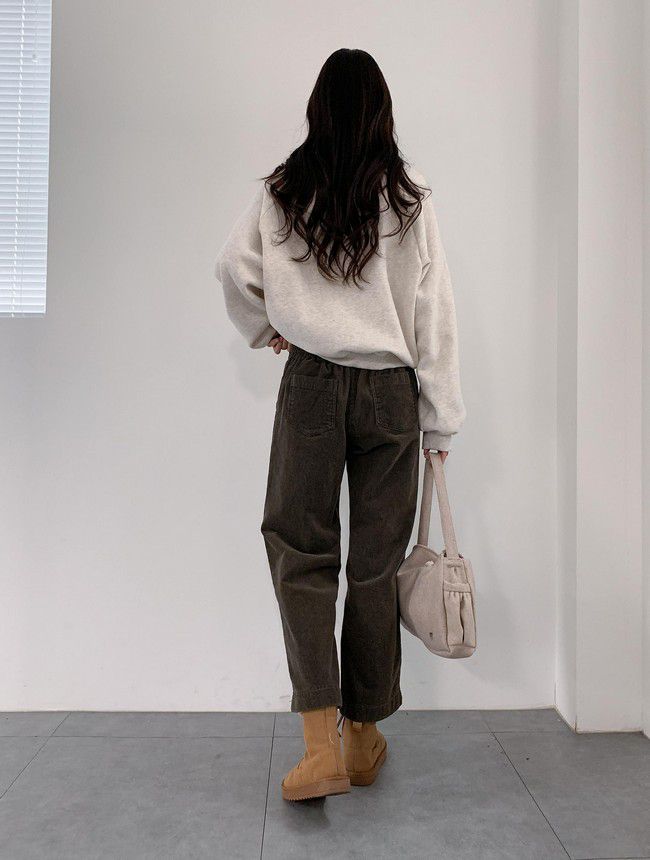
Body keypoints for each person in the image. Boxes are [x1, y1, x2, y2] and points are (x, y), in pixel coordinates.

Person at [215, 48, 465, 801]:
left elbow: (233, 269)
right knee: (375, 565)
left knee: (300, 550)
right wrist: (440, 423)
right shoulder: (409, 200)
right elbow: (434, 314)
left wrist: (270, 328)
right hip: (391, 391)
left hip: (314, 385)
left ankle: (319, 746)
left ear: (317, 111)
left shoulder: (286, 191)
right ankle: (362, 739)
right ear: (382, 113)